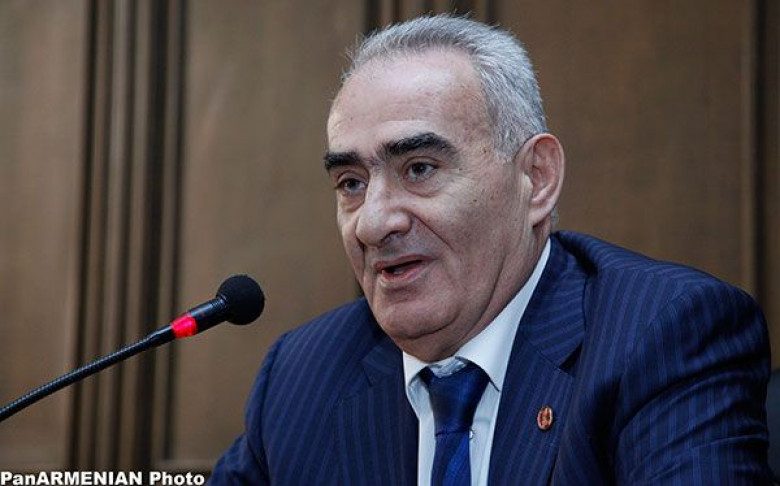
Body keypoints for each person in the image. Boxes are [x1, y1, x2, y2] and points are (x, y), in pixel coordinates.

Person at [209, 15, 770, 484]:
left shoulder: (661, 335)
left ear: (536, 178)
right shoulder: (302, 375)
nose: (373, 223)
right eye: (351, 183)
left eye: (419, 169)